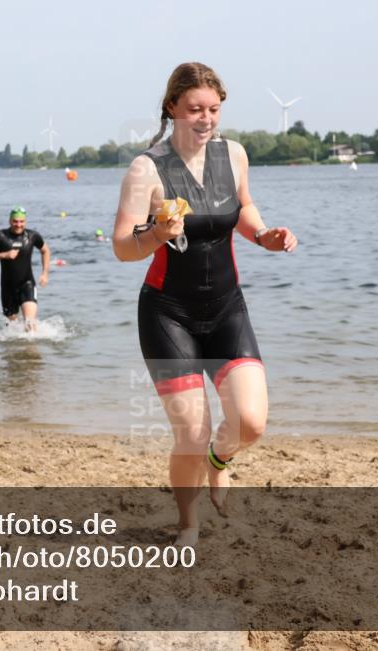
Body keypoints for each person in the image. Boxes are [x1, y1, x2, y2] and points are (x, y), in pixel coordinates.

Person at [112, 62, 297, 546]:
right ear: (172, 107)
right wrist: (155, 233)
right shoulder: (146, 168)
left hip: (226, 309)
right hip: (167, 313)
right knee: (191, 435)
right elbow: (121, 246)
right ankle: (188, 525)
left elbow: (244, 209)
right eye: (195, 108)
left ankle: (221, 460)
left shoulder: (234, 155)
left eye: (214, 109)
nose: (206, 118)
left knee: (251, 422)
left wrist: (265, 236)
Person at [0, 207, 50, 330]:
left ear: (25, 221)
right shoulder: (0, 236)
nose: (18, 225)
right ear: (10, 221)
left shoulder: (32, 236)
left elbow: (45, 250)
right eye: (15, 221)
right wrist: (4, 255)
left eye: (21, 221)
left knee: (30, 324)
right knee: (12, 331)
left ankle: (31, 349)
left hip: (27, 283)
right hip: (7, 288)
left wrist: (45, 273)